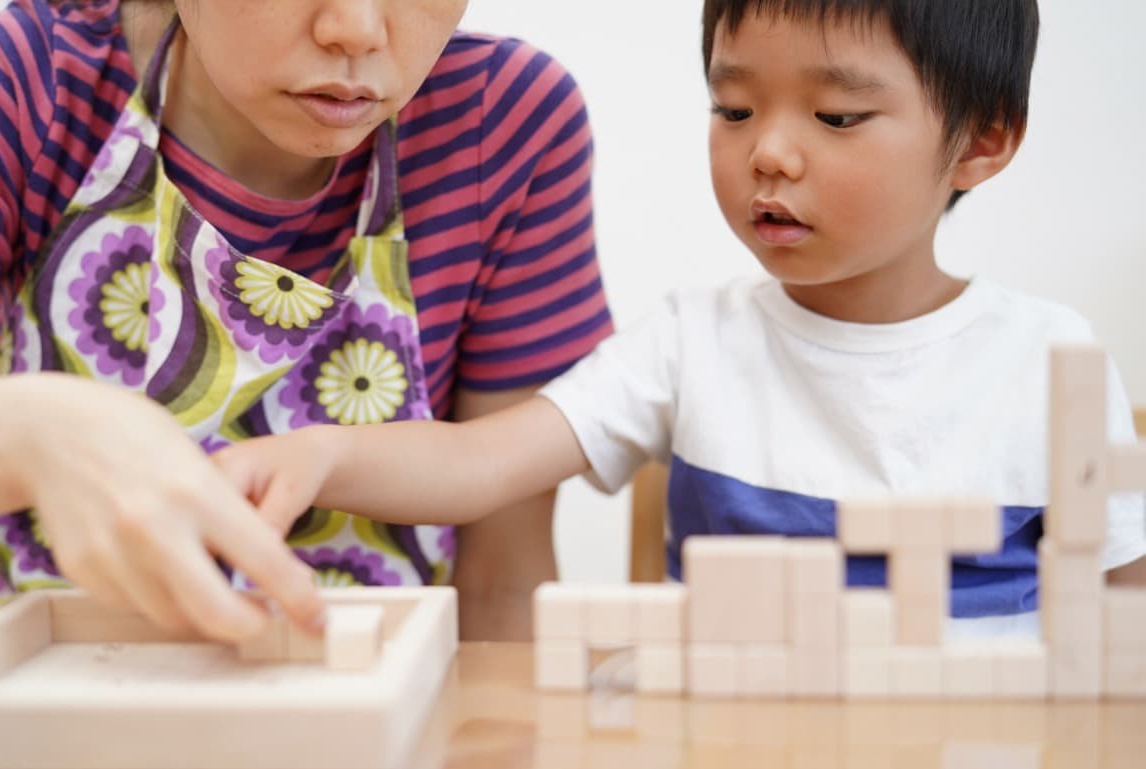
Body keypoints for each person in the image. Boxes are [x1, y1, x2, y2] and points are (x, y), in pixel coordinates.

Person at [211, 0, 1146, 638]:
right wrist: (324, 455)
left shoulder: (1047, 358)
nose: (769, 152)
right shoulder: (690, 342)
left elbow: (1124, 615)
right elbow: (479, 462)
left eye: (839, 116)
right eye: (734, 107)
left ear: (981, 142)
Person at [0, 0, 613, 641]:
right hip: (21, 711)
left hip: (365, 724)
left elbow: (502, 586)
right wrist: (28, 435)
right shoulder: (37, 82)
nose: (353, 29)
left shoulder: (502, 128)